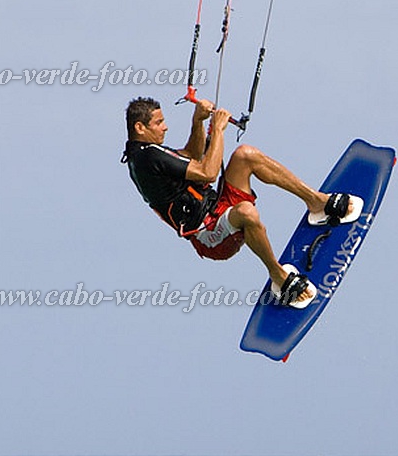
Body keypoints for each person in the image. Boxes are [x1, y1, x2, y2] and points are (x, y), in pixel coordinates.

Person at [122, 96, 362, 308]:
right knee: (246, 212)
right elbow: (208, 173)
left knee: (246, 154)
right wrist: (217, 130)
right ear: (140, 127)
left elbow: (192, 157)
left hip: (217, 208)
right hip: (208, 234)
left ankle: (318, 203)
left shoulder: (149, 152)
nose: (165, 127)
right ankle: (279, 277)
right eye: (158, 123)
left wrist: (197, 122)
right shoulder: (146, 157)